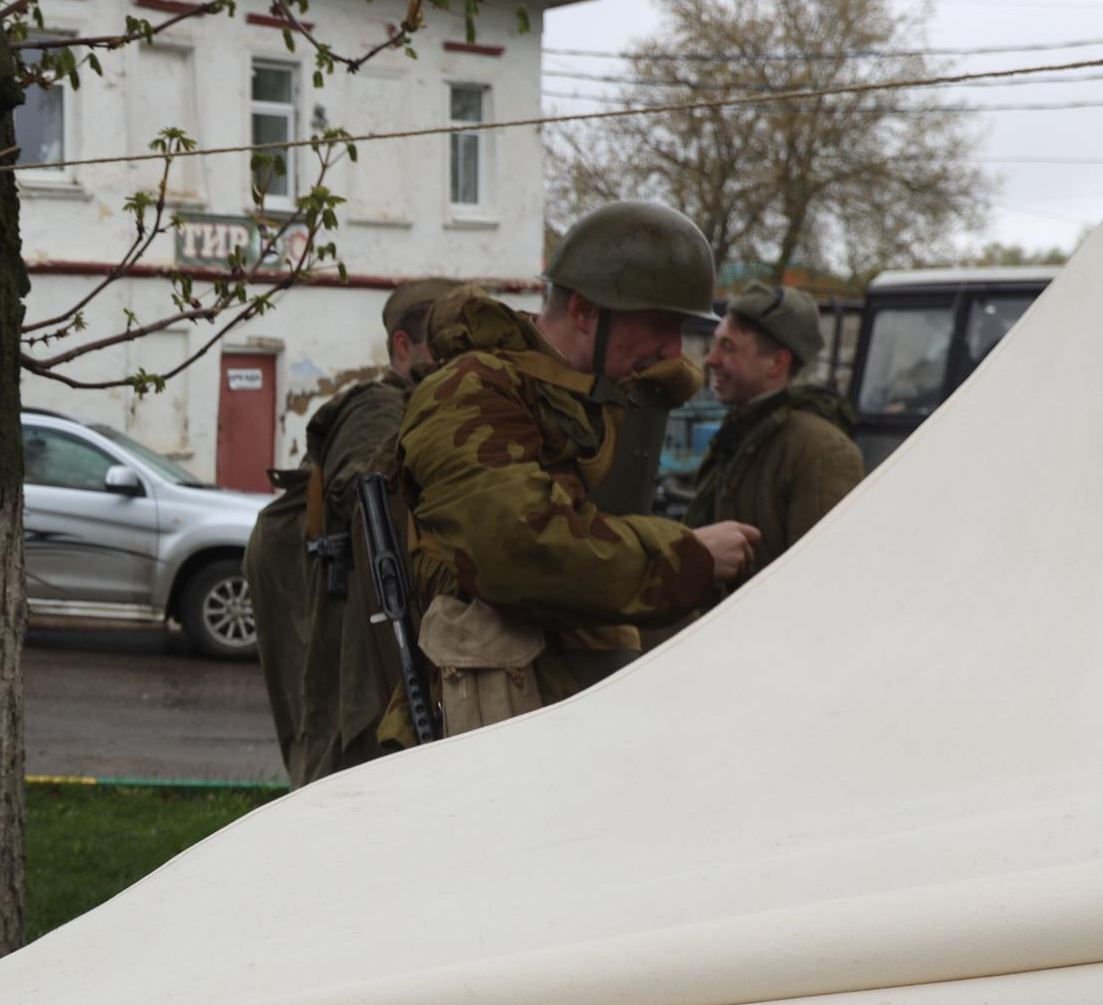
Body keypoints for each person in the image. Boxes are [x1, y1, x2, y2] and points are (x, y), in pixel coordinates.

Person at [387, 201, 761, 738]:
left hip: (569, 706)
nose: (674, 349)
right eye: (661, 325)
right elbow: (522, 550)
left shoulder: (588, 400)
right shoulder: (469, 392)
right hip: (496, 725)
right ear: (585, 311)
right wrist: (691, 557)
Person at [244, 278, 462, 785]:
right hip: (358, 621)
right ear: (403, 346)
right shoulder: (379, 406)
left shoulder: (417, 405)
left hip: (369, 616)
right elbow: (367, 501)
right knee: (350, 760)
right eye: (445, 348)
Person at [687, 281, 864, 582]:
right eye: (714, 344)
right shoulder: (740, 432)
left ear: (776, 363)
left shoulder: (822, 451)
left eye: (727, 347)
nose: (710, 359)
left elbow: (822, 579)